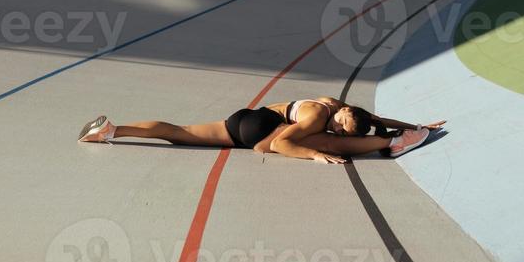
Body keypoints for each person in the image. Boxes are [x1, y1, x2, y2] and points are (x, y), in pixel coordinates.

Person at [78, 97, 445, 164]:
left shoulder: (332, 103)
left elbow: (371, 115)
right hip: (262, 132)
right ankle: (392, 143)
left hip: (245, 118)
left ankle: (112, 129)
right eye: (340, 124)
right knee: (307, 144)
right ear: (344, 114)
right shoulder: (319, 120)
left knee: (179, 131)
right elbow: (283, 143)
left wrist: (413, 123)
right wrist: (315, 153)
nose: (336, 127)